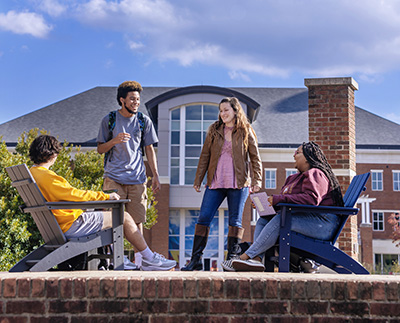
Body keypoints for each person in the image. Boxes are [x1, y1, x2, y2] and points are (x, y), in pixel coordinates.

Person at [29, 135, 176, 271]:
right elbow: (74, 195)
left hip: (57, 225)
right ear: (52, 154)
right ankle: (149, 258)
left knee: (107, 214)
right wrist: (104, 196)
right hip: (71, 225)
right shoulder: (47, 177)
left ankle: (117, 259)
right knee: (123, 217)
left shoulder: (33, 173)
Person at [221, 141, 344, 272]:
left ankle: (245, 257)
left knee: (281, 221)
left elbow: (311, 199)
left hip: (323, 224)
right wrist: (268, 205)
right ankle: (256, 259)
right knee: (264, 219)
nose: (294, 155)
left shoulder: (315, 173)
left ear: (308, 157)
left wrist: (277, 199)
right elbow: (291, 203)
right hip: (308, 220)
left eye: (297, 152)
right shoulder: (294, 178)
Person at [181, 97, 262, 271]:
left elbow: (255, 157)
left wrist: (257, 180)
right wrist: (198, 179)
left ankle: (231, 261)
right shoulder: (214, 130)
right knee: (204, 218)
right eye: (220, 110)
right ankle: (196, 261)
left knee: (235, 220)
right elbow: (205, 156)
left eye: (226, 110)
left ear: (235, 110)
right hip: (215, 182)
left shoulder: (246, 130)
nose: (222, 113)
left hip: (239, 183)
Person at [97, 81, 161, 267]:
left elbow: (149, 149)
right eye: (132, 99)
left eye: (138, 99)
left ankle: (140, 260)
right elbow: (100, 149)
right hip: (114, 178)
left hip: (137, 179)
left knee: (137, 220)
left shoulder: (143, 121)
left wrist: (155, 174)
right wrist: (115, 141)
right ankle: (116, 259)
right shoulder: (109, 120)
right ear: (122, 100)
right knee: (111, 220)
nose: (136, 102)